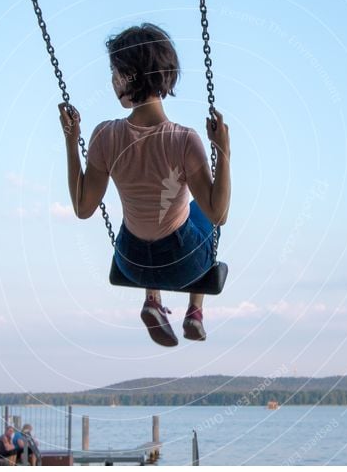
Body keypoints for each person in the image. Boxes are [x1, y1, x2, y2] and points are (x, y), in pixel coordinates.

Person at [58, 23, 231, 346]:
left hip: (132, 262)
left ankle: (152, 300)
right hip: (183, 265)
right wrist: (223, 151)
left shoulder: (105, 135)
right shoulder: (184, 140)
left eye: (115, 73)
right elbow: (220, 213)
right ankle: (194, 310)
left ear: (128, 77)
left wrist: (71, 142)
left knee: (145, 212)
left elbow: (83, 208)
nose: (112, 81)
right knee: (202, 212)